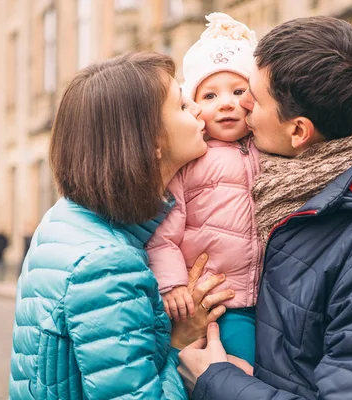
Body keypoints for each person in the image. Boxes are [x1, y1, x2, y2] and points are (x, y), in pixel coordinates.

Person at [178, 16, 352, 399]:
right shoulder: (289, 189)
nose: (238, 105)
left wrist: (217, 382)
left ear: (298, 132)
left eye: (253, 98)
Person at [9, 52, 234, 399]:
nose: (199, 110)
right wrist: (180, 343)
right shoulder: (105, 264)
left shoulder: (67, 218)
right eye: (182, 105)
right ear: (152, 142)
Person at [147, 13, 260, 365]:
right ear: (194, 106)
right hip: (216, 301)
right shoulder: (193, 157)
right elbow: (164, 234)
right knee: (233, 370)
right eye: (210, 95)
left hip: (266, 296)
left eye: (238, 91)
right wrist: (173, 284)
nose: (225, 103)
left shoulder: (266, 149)